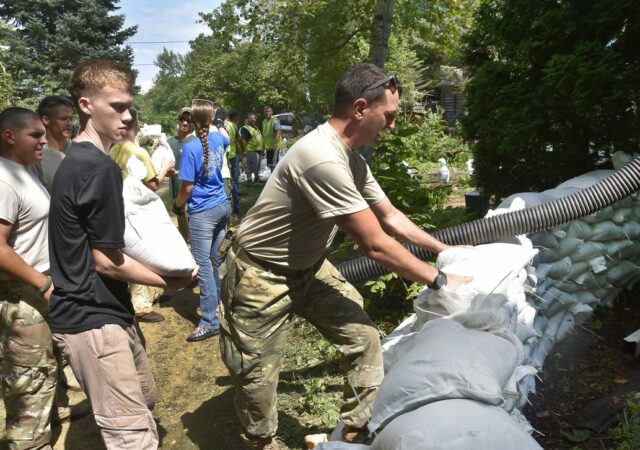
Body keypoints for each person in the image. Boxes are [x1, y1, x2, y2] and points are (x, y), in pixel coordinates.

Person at [218, 63, 471, 450]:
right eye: (388, 116)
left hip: (310, 268)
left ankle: (353, 432)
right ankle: (262, 442)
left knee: (364, 338)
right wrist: (439, 280)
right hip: (260, 276)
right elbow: (375, 245)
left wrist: (445, 251)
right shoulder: (322, 158)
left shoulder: (352, 159)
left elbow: (391, 217)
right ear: (359, 108)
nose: (391, 126)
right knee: (256, 378)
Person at [48, 59, 196, 450]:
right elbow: (103, 259)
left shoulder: (87, 161)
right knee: (132, 437)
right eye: (116, 106)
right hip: (90, 318)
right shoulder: (95, 168)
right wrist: (173, 281)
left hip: (110, 310)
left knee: (144, 397)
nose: (127, 115)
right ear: (85, 105)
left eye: (128, 105)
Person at [0, 107, 56, 450]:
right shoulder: (4, 180)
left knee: (42, 373)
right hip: (22, 297)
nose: (43, 140)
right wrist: (43, 283)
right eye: (35, 135)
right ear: (9, 136)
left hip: (35, 290)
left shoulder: (20, 172)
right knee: (27, 384)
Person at [173, 99, 231, 342]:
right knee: (216, 260)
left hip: (203, 213)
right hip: (222, 206)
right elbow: (226, 135)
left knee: (204, 266)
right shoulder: (218, 139)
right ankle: (222, 309)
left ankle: (209, 321)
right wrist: (219, 122)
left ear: (194, 122)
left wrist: (176, 206)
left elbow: (186, 188)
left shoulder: (191, 148)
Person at [110, 107, 175, 324]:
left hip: (119, 206)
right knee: (144, 251)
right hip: (137, 209)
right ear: (135, 124)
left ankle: (149, 293)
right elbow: (153, 184)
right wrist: (166, 168)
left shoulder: (114, 149)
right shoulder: (139, 153)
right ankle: (141, 306)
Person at [28, 96, 74, 192]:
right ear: (46, 120)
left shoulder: (79, 150)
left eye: (71, 119)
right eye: (63, 119)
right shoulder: (36, 156)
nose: (69, 123)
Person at [167, 107, 196, 242]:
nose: (185, 123)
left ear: (193, 123)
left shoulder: (196, 141)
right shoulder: (169, 142)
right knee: (181, 217)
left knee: (192, 219)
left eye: (189, 120)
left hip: (192, 190)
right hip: (177, 188)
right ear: (178, 121)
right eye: (182, 119)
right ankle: (186, 244)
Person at [237, 112, 263, 184]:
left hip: (258, 149)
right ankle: (249, 180)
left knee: (257, 166)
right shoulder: (245, 128)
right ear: (247, 119)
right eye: (251, 118)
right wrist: (244, 151)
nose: (253, 119)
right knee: (251, 166)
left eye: (254, 118)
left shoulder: (255, 127)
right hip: (251, 150)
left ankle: (257, 178)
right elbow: (244, 140)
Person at [225, 110, 242, 214]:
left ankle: (227, 205)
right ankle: (236, 206)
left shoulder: (223, 124)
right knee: (234, 181)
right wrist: (242, 151)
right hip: (232, 155)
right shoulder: (233, 126)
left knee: (226, 181)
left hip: (224, 156)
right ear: (235, 117)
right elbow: (239, 140)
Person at [261, 106, 281, 171]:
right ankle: (273, 177)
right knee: (270, 164)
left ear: (272, 112)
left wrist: (276, 142)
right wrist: (263, 147)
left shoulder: (275, 120)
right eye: (265, 112)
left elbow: (278, 131)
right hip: (268, 146)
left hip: (274, 146)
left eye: (268, 111)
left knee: (274, 164)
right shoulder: (264, 122)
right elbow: (264, 135)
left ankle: (275, 179)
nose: (267, 113)